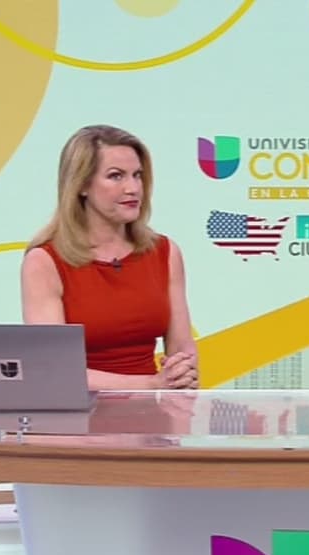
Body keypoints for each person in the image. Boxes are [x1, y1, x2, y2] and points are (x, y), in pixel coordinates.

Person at [21, 125, 199, 390]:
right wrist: (151, 385)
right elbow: (53, 369)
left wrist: (182, 377)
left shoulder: (164, 252)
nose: (133, 188)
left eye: (137, 175)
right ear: (82, 184)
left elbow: (182, 349)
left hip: (152, 409)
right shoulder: (44, 261)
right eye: (116, 176)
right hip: (79, 410)